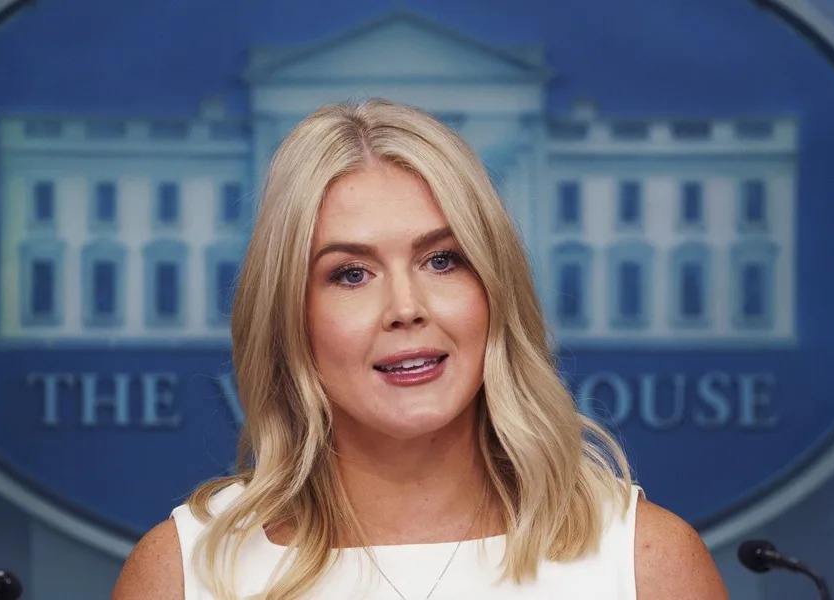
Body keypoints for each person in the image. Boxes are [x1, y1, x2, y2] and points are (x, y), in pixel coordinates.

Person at [112, 99, 728, 600]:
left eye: (442, 260)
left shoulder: (646, 562)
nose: (406, 307)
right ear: (290, 317)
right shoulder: (183, 573)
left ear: (495, 290)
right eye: (351, 273)